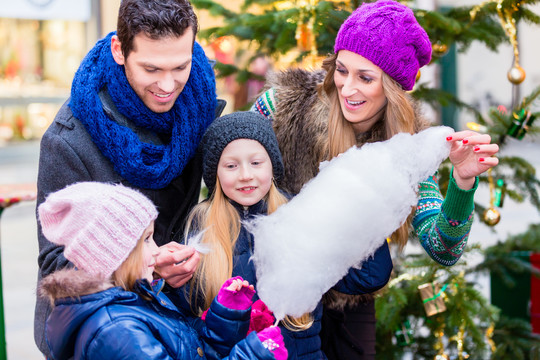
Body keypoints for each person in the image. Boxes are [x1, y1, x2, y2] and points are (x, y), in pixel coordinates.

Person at [251, 0, 499, 358]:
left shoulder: (409, 148)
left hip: (351, 300)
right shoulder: (284, 105)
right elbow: (229, 167)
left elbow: (444, 249)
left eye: (365, 78)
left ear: (393, 87)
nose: (347, 88)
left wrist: (462, 183)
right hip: (279, 289)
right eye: (341, 70)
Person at [34, 0, 224, 356]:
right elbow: (55, 267)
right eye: (151, 68)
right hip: (105, 334)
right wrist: (142, 262)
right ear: (120, 50)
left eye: (180, 66)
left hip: (175, 320)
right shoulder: (69, 140)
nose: (168, 85)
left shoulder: (199, 105)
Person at [166, 111, 393, 360]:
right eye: (231, 166)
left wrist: (359, 214)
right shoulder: (201, 226)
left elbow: (369, 277)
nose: (245, 175)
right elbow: (181, 318)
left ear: (272, 164)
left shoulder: (299, 214)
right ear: (215, 174)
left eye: (256, 163)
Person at [38, 182, 287, 360]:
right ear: (116, 254)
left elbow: (192, 349)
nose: (157, 251)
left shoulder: (140, 297)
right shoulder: (118, 330)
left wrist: (226, 314)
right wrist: (254, 354)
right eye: (147, 240)